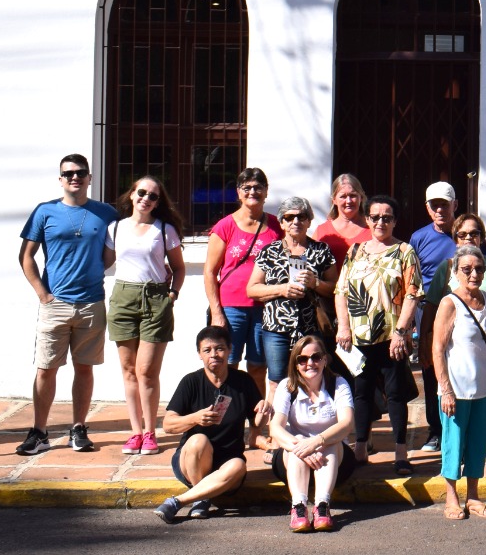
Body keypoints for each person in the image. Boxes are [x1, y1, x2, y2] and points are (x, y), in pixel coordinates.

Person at [17, 154, 119, 456]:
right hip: (55, 303)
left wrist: (96, 270)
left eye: (81, 173)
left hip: (91, 304)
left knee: (84, 369)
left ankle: (78, 428)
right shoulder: (45, 212)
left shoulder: (106, 213)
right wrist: (42, 294)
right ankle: (40, 432)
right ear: (61, 178)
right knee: (46, 369)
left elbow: (112, 252)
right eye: (69, 173)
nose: (75, 177)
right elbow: (26, 256)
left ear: (90, 178)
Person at [334, 195, 422, 471]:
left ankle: (400, 452)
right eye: (375, 217)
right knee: (361, 393)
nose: (380, 222)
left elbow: (413, 293)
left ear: (395, 221)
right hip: (358, 337)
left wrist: (400, 332)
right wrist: (344, 326)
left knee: (395, 394)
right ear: (367, 219)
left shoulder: (404, 251)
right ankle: (360, 447)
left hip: (390, 337)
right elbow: (341, 291)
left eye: (387, 217)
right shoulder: (355, 251)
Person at [106, 174, 186, 456]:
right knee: (128, 371)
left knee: (147, 372)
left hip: (155, 299)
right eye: (142, 192)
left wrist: (172, 295)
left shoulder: (164, 230)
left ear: (157, 202)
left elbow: (178, 268)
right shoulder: (115, 228)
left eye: (153, 196)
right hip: (123, 298)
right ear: (131, 194)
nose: (146, 199)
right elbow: (103, 262)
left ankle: (151, 432)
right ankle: (135, 432)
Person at [155, 326, 266, 523]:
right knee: (199, 440)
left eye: (220, 348)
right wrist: (194, 418)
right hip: (192, 461)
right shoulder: (191, 382)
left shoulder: (243, 381)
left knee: (239, 465)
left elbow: (256, 424)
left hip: (227, 461)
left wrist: (263, 412)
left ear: (230, 350)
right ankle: (202, 498)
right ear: (199, 354)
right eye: (207, 350)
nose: (214, 354)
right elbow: (168, 424)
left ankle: (183, 501)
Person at [204, 166, 282, 445]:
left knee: (259, 369)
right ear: (238, 192)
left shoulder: (275, 225)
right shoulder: (225, 226)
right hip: (231, 308)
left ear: (266, 191)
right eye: (247, 187)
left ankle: (256, 429)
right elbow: (210, 272)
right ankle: (226, 426)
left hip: (266, 308)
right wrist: (216, 311)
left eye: (258, 187)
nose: (253, 192)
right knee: (228, 367)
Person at [432, 243, 486, 520]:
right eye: (467, 269)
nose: (473, 274)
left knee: (476, 444)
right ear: (456, 270)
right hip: (455, 389)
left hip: (481, 388)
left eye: (479, 269)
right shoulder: (449, 303)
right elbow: (438, 348)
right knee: (454, 443)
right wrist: (445, 389)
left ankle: (473, 496)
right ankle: (452, 498)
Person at [247, 196, 338, 413]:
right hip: (276, 328)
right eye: (289, 217)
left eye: (301, 216)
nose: (296, 221)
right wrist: (281, 289)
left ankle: (309, 425)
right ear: (282, 222)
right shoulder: (270, 252)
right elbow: (252, 289)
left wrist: (315, 283)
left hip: (310, 327)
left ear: (309, 221)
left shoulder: (321, 250)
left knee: (312, 377)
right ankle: (276, 435)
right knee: (277, 381)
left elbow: (335, 287)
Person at [269, 334, 354, 531]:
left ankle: (322, 506)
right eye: (303, 359)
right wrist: (303, 448)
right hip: (294, 460)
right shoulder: (287, 386)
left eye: (316, 357)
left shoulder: (338, 384)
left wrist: (317, 442)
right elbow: (275, 428)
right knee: (297, 438)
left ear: (325, 359)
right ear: (296, 363)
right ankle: (298, 507)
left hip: (333, 462)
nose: (310, 363)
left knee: (330, 440)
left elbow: (347, 423)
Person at [412, 182, 460, 453]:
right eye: (434, 204)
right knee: (431, 367)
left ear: (455, 205)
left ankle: (459, 426)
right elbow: (411, 276)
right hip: (428, 311)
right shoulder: (419, 237)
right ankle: (435, 430)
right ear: (428, 208)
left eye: (445, 203)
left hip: (462, 310)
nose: (439, 209)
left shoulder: (466, 233)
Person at [310, 173, 372, 267]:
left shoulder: (373, 228)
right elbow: (311, 264)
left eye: (353, 195)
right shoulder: (322, 231)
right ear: (334, 200)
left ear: (361, 198)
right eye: (343, 196)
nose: (349, 201)